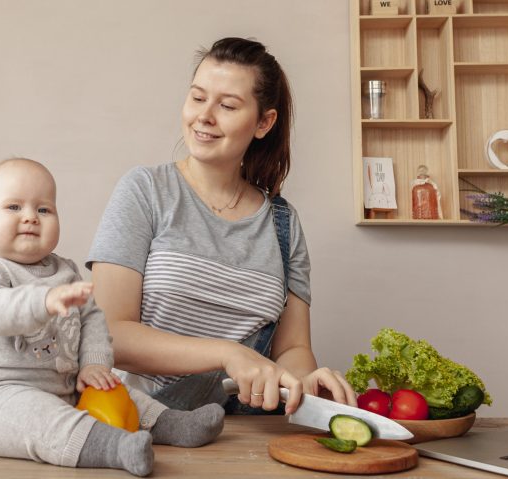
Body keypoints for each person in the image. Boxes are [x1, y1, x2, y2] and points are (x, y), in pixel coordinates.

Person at [86, 38, 358, 415]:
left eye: (227, 105)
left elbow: (292, 349)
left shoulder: (283, 224)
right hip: (143, 422)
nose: (204, 116)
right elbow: (108, 334)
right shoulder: (146, 191)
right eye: (198, 98)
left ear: (264, 122)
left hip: (246, 435)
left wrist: (304, 382)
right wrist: (227, 354)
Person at [0, 158, 224, 477]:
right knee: (43, 420)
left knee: (116, 390)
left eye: (44, 210)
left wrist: (95, 364)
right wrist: (44, 300)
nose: (30, 217)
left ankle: (171, 424)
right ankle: (114, 448)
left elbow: (92, 319)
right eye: (14, 207)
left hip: (65, 390)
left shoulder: (66, 272)